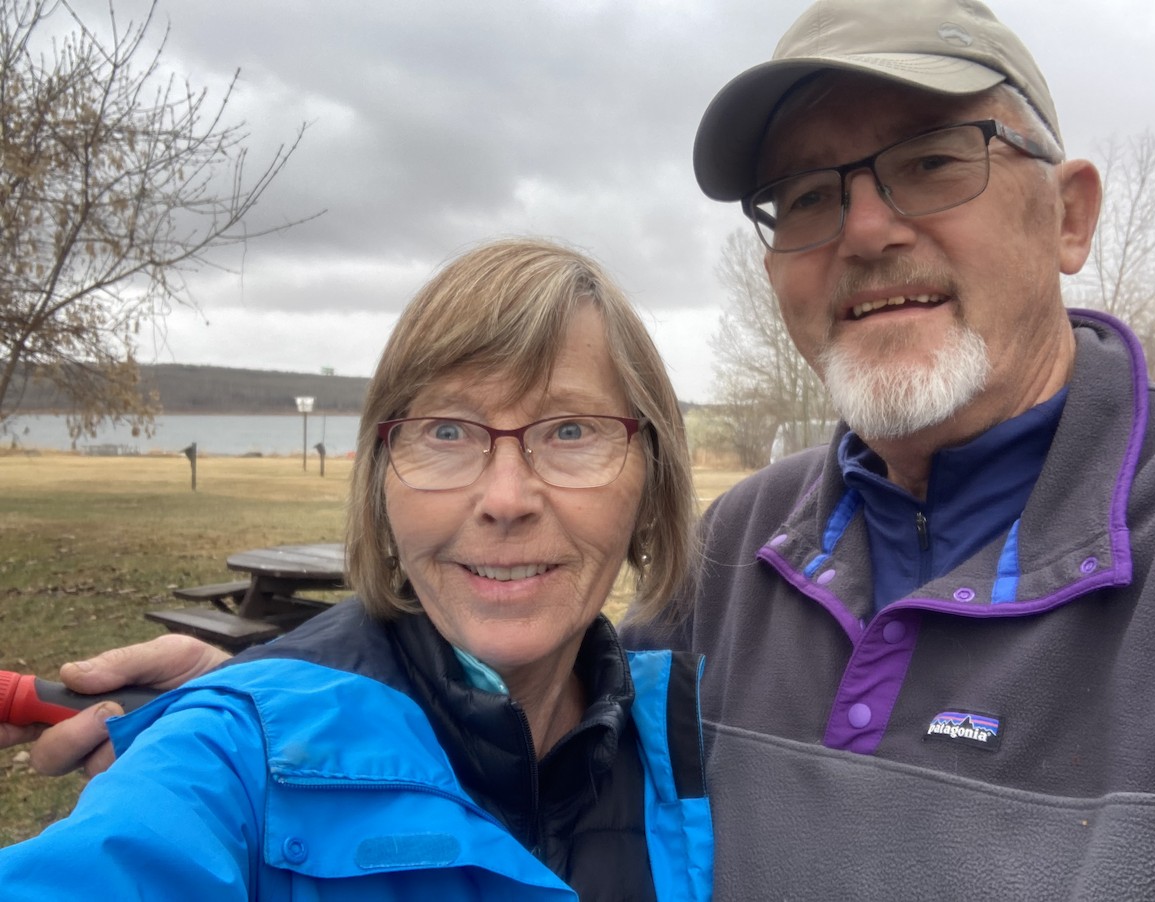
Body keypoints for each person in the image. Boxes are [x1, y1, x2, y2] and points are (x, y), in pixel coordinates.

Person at [10, 0, 1155, 897]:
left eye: (935, 159)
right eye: (809, 196)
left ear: (1073, 211)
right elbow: (523, 679)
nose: (869, 228)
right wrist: (282, 675)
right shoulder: (751, 549)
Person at [0, 238, 714, 901]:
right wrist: (259, 696)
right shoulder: (231, 753)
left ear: (652, 484)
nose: (506, 499)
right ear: (381, 484)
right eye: (446, 431)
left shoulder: (707, 738)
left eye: (569, 430)